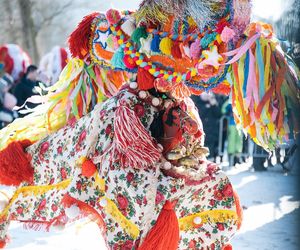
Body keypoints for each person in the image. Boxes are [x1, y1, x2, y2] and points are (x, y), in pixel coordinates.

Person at [0, 1, 298, 249]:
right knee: (122, 195)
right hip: (128, 126)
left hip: (169, 127)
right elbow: (92, 41)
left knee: (205, 187)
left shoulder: (205, 36)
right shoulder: (134, 31)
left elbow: (211, 72)